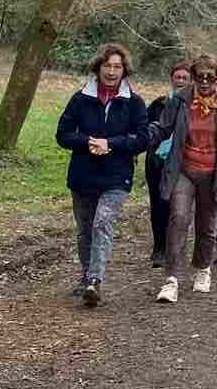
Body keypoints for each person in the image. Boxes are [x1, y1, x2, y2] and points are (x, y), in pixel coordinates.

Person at [149, 54, 217, 304]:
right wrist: (140, 138)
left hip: (215, 172)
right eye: (199, 78)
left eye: (210, 78)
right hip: (184, 168)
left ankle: (203, 269)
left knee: (206, 224)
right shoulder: (182, 99)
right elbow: (163, 127)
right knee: (178, 218)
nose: (204, 83)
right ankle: (172, 279)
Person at [56, 43, 149, 307]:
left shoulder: (134, 102)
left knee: (102, 224)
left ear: (125, 70)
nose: (111, 71)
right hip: (83, 175)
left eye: (117, 67)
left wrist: (112, 144)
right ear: (98, 68)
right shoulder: (80, 99)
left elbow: (142, 138)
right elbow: (62, 134)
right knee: (85, 230)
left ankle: (95, 280)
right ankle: (86, 277)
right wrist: (87, 142)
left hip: (116, 177)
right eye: (107, 66)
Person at [144, 60, 191, 268]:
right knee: (158, 205)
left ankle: (176, 248)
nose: (180, 80)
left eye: (185, 78)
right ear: (171, 78)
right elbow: (145, 132)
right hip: (156, 162)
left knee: (178, 207)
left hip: (182, 162)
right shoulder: (158, 104)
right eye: (177, 77)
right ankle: (159, 247)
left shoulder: (194, 106)